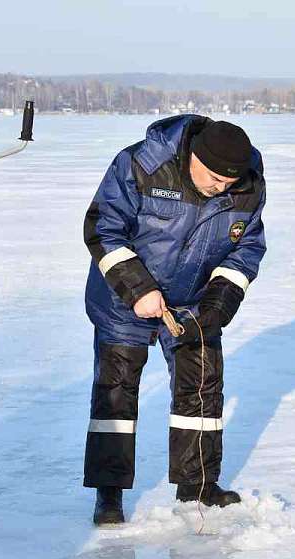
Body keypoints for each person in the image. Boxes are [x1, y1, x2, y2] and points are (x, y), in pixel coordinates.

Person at [82, 116, 266, 525]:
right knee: (116, 392)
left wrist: (220, 301)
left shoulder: (249, 187)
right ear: (193, 158)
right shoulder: (141, 164)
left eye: (228, 183)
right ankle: (108, 493)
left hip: (193, 303)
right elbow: (103, 228)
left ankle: (197, 484)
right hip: (122, 299)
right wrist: (138, 289)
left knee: (202, 386)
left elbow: (246, 247)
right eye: (214, 178)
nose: (221, 188)